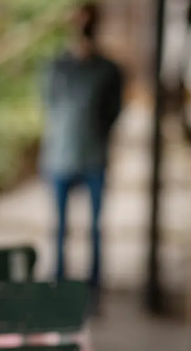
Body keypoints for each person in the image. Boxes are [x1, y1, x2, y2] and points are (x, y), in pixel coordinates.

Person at [40, 2, 123, 310]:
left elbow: (113, 112)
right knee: (60, 228)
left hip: (93, 157)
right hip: (60, 156)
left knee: (95, 229)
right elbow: (49, 104)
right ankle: (60, 285)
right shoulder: (56, 66)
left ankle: (94, 290)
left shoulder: (108, 69)